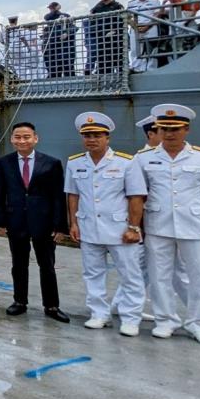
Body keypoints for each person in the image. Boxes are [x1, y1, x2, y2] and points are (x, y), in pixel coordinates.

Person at [127, 104, 200, 347]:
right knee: (159, 275)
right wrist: (134, 227)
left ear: (186, 129)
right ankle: (165, 320)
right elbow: (137, 196)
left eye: (175, 129)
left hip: (196, 225)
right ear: (158, 130)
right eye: (164, 129)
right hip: (158, 225)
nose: (170, 133)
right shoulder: (144, 158)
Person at [64, 112, 145, 336]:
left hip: (120, 229)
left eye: (97, 135)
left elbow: (136, 197)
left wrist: (134, 227)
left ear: (107, 137)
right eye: (87, 135)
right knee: (92, 273)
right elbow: (72, 195)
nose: (92, 139)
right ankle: (98, 313)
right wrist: (73, 223)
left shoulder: (126, 162)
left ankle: (130, 317)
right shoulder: (75, 163)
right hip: (89, 227)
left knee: (130, 274)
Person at [0, 123, 70, 323]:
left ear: (35, 138)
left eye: (26, 137)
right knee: (18, 265)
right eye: (17, 137)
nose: (22, 141)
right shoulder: (4, 163)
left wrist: (60, 226)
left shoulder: (51, 163)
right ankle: (20, 301)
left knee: (47, 265)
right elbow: (0, 193)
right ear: (12, 139)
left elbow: (57, 197)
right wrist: (0, 221)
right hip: (16, 221)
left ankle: (52, 305)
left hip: (43, 223)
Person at [88, 0, 125, 74]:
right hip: (102, 35)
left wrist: (115, 30)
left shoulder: (117, 5)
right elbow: (91, 16)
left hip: (115, 35)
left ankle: (120, 72)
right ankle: (104, 73)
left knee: (117, 54)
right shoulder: (98, 6)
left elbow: (122, 19)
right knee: (102, 55)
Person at [127, 0, 162, 72]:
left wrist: (147, 27)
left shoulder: (154, 2)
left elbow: (157, 15)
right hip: (135, 28)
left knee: (152, 49)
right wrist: (135, 27)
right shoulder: (131, 3)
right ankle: (137, 68)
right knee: (135, 49)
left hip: (150, 27)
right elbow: (127, 17)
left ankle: (151, 69)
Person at [42, 1, 77, 78]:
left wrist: (67, 33)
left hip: (65, 47)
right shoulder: (49, 17)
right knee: (53, 70)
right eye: (50, 8)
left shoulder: (65, 16)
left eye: (52, 8)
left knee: (68, 68)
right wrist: (55, 11)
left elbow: (73, 28)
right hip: (53, 47)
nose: (50, 10)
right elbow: (47, 17)